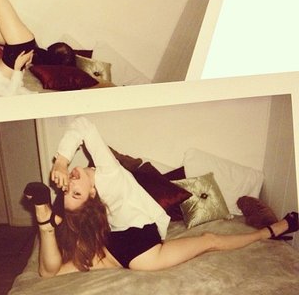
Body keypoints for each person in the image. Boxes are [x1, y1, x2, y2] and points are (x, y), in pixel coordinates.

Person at [24, 116, 299, 277]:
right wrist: (62, 163)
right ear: (91, 194)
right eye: (75, 193)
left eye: (69, 190)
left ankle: (45, 223)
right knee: (209, 240)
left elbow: (82, 126)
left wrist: (61, 161)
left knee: (49, 273)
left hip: (123, 249)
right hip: (131, 250)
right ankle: (44, 221)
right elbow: (83, 125)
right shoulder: (107, 175)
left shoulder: (104, 176)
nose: (70, 182)